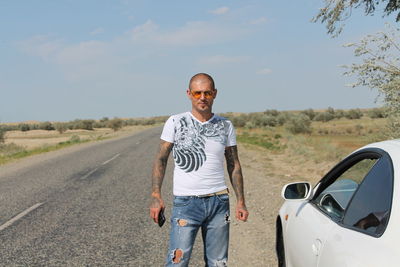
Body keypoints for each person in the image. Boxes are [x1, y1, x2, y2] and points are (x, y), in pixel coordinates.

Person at [150, 73, 249, 266]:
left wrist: (241, 202)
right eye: (197, 93)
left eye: (207, 93)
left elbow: (234, 164)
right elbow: (161, 159)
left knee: (218, 262)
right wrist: (156, 195)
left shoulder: (225, 125)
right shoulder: (175, 122)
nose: (202, 97)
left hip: (219, 202)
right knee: (177, 262)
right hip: (186, 203)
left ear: (215, 94)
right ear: (189, 94)